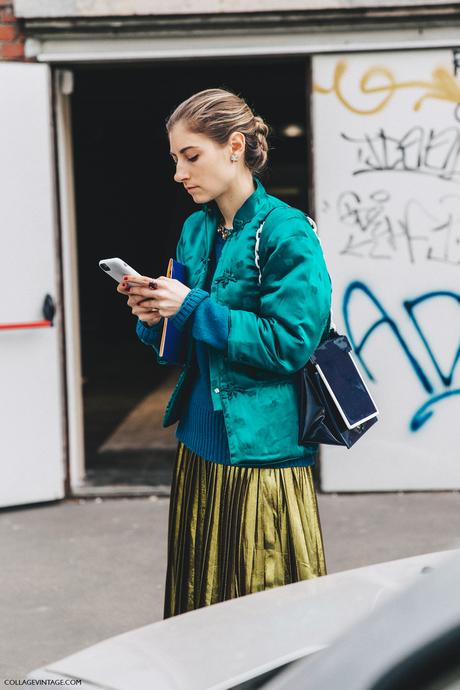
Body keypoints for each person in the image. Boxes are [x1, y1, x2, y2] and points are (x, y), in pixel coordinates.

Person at [116, 88, 332, 619]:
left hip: (261, 455)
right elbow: (181, 346)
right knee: (202, 610)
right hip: (198, 446)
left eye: (191, 157)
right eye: (174, 159)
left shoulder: (287, 232)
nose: (179, 173)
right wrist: (153, 317)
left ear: (234, 146)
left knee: (267, 612)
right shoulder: (196, 228)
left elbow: (289, 345)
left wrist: (190, 307)